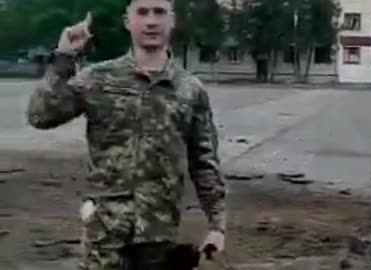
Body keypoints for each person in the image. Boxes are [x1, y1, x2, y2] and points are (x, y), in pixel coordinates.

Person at [26, 0, 226, 269]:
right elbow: (41, 116)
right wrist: (64, 58)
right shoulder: (97, 79)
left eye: (159, 12)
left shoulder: (190, 90)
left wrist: (217, 225)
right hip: (105, 235)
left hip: (159, 235)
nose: (151, 21)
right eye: (142, 12)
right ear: (127, 21)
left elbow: (205, 162)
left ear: (172, 20)